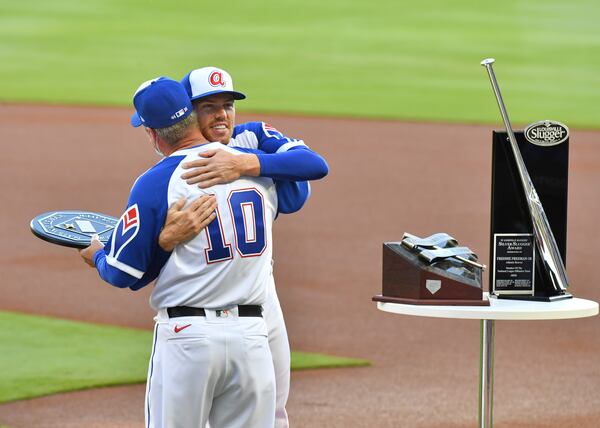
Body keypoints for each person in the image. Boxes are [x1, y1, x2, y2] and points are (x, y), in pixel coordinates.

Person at [80, 77, 310, 428]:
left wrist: (96, 254)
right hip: (252, 338)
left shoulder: (155, 183)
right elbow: (299, 190)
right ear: (192, 115)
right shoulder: (256, 169)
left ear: (153, 134)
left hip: (187, 340)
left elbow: (123, 274)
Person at [158, 67, 329, 428]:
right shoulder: (177, 168)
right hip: (204, 303)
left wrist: (245, 163)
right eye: (209, 107)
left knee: (272, 409)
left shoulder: (251, 137)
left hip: (261, 295)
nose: (222, 115)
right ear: (187, 115)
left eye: (228, 105)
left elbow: (314, 165)